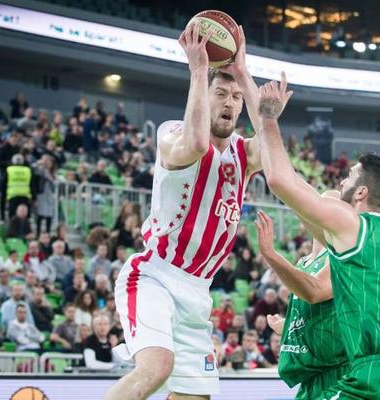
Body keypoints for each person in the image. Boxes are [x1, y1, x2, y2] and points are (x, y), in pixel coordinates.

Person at [106, 22, 266, 400]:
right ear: (202, 94)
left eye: (236, 97)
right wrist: (198, 69)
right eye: (221, 92)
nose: (229, 102)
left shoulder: (244, 152)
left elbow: (274, 147)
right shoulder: (172, 132)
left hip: (198, 292)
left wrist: (243, 73)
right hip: (155, 276)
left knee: (194, 396)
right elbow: (197, 143)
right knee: (157, 368)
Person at [255, 75, 380, 399]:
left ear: (362, 192)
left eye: (350, 176)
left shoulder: (356, 225)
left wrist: (267, 118)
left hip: (378, 374)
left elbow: (282, 181)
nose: (343, 181)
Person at [255, 204, 348, 400]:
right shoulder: (303, 262)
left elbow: (316, 292)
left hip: (338, 369)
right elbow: (308, 312)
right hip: (310, 374)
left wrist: (271, 254)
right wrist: (287, 325)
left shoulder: (341, 254)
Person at [4, 154, 34, 218]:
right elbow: (32, 184)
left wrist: (4, 196)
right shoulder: (27, 170)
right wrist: (33, 196)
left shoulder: (9, 170)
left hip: (12, 195)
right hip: (25, 196)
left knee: (12, 216)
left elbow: (4, 184)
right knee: (25, 217)